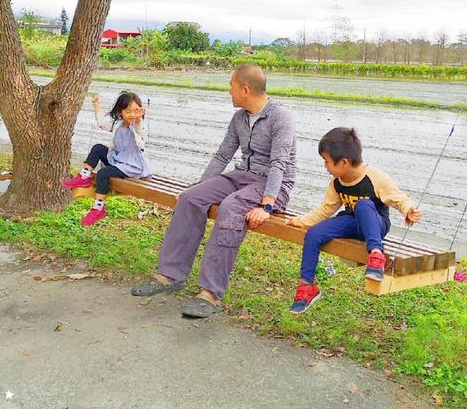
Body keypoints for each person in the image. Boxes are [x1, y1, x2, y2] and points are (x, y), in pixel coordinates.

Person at [131, 63, 296, 319]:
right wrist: (198, 186)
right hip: (242, 176)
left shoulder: (280, 118)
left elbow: (279, 164)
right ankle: (170, 275)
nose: (228, 92)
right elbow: (223, 155)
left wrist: (267, 205)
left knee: (231, 207)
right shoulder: (240, 117)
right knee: (189, 198)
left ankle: (211, 292)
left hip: (272, 185)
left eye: (231, 87)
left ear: (245, 89)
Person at [285, 127, 422, 314]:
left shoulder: (375, 177)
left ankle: (376, 255)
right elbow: (326, 209)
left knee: (363, 205)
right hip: (353, 224)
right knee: (314, 234)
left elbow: (399, 198)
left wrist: (409, 210)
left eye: (326, 162)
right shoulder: (336, 182)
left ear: (343, 162)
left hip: (376, 225)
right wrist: (301, 221)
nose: (325, 167)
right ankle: (307, 286)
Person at [63, 91, 150, 226]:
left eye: (136, 111)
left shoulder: (138, 126)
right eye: (128, 111)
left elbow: (140, 129)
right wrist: (97, 104)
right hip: (117, 159)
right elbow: (102, 121)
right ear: (120, 112)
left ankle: (98, 208)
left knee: (103, 174)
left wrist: (139, 119)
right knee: (98, 148)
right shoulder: (117, 124)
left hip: (131, 166)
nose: (132, 115)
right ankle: (84, 176)